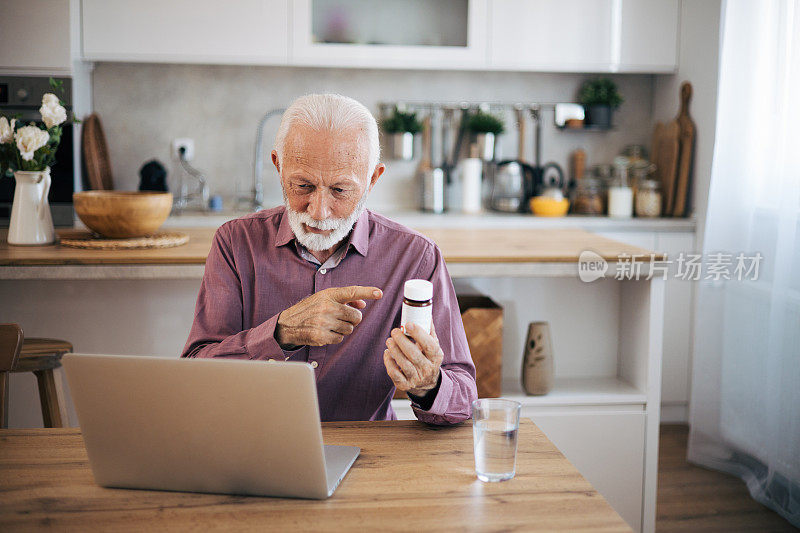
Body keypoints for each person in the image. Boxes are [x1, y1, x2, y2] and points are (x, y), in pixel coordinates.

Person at [182, 93, 477, 425]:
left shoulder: (415, 257)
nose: (318, 211)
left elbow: (463, 399)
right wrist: (280, 333)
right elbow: (196, 375)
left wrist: (428, 386)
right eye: (303, 185)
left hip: (369, 456)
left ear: (373, 179)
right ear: (278, 166)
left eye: (340, 190)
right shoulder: (236, 243)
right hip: (255, 447)